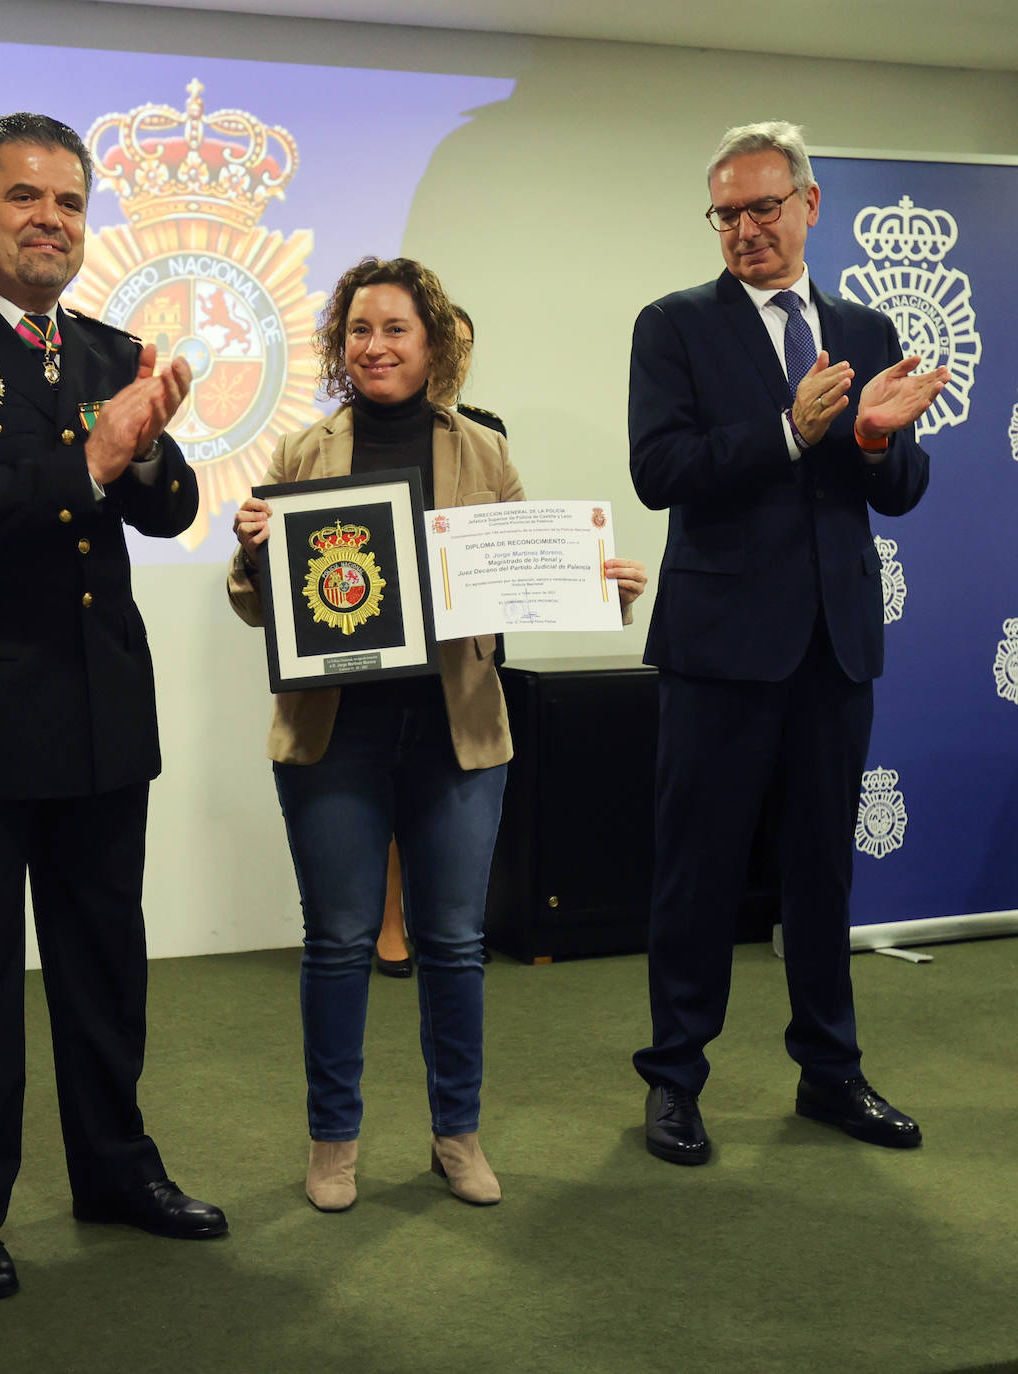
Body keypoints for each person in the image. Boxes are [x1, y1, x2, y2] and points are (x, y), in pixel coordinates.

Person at [0, 112, 227, 1301]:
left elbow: (166, 513)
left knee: (103, 967)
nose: (51, 222)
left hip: (96, 711)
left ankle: (117, 1171)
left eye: (70, 204)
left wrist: (151, 447)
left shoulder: (112, 347)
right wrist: (87, 458)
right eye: (26, 199)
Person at [229, 257, 646, 1211]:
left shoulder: (482, 453)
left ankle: (457, 1136)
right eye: (359, 331)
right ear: (341, 345)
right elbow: (261, 608)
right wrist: (252, 557)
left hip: (455, 734)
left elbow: (516, 580)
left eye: (395, 330)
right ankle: (334, 1143)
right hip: (334, 736)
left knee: (454, 943)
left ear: (434, 344)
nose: (374, 347)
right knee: (337, 943)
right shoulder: (303, 452)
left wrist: (598, 587)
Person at [628, 120, 948, 1166]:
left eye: (765, 208)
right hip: (719, 648)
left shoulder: (861, 321)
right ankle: (675, 1079)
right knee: (698, 872)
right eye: (726, 214)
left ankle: (830, 1070)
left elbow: (897, 492)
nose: (745, 230)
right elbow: (660, 470)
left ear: (810, 206)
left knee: (822, 872)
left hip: (835, 645)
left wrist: (868, 436)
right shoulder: (674, 325)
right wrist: (787, 433)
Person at [373, 303, 504, 979]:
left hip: (466, 648)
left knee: (449, 804)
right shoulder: (363, 434)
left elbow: (510, 538)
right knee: (389, 802)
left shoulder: (489, 436)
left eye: (465, 348)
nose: (455, 359)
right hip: (384, 646)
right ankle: (390, 920)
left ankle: (439, 923)